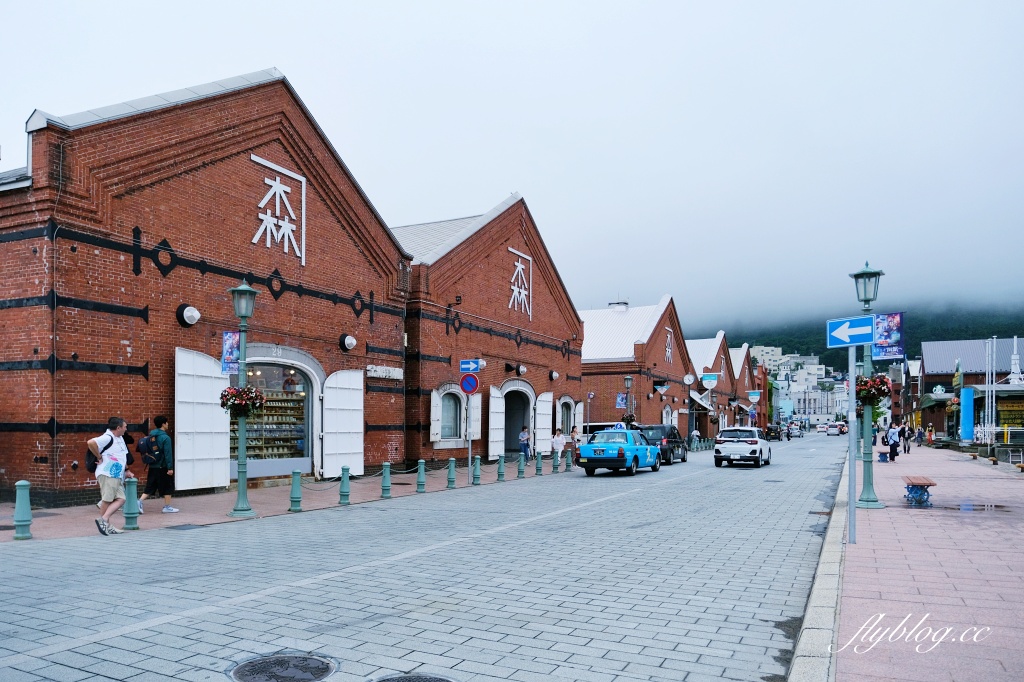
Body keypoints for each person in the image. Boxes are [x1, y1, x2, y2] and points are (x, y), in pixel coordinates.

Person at [87, 417, 136, 536]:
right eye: (125, 427)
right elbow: (90, 442)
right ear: (118, 428)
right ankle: (105, 524)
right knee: (107, 499)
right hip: (107, 473)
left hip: (116, 474)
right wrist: (99, 456)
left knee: (121, 499)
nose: (126, 429)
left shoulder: (119, 438)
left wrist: (127, 470)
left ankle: (104, 522)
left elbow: (121, 456)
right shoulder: (107, 437)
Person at [138, 415, 178, 514]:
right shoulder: (165, 437)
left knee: (150, 486)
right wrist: (170, 468)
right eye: (167, 422)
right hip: (163, 465)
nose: (168, 424)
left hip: (152, 465)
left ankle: (139, 502)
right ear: (163, 424)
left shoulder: (151, 435)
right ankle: (167, 507)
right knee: (167, 486)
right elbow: (168, 454)